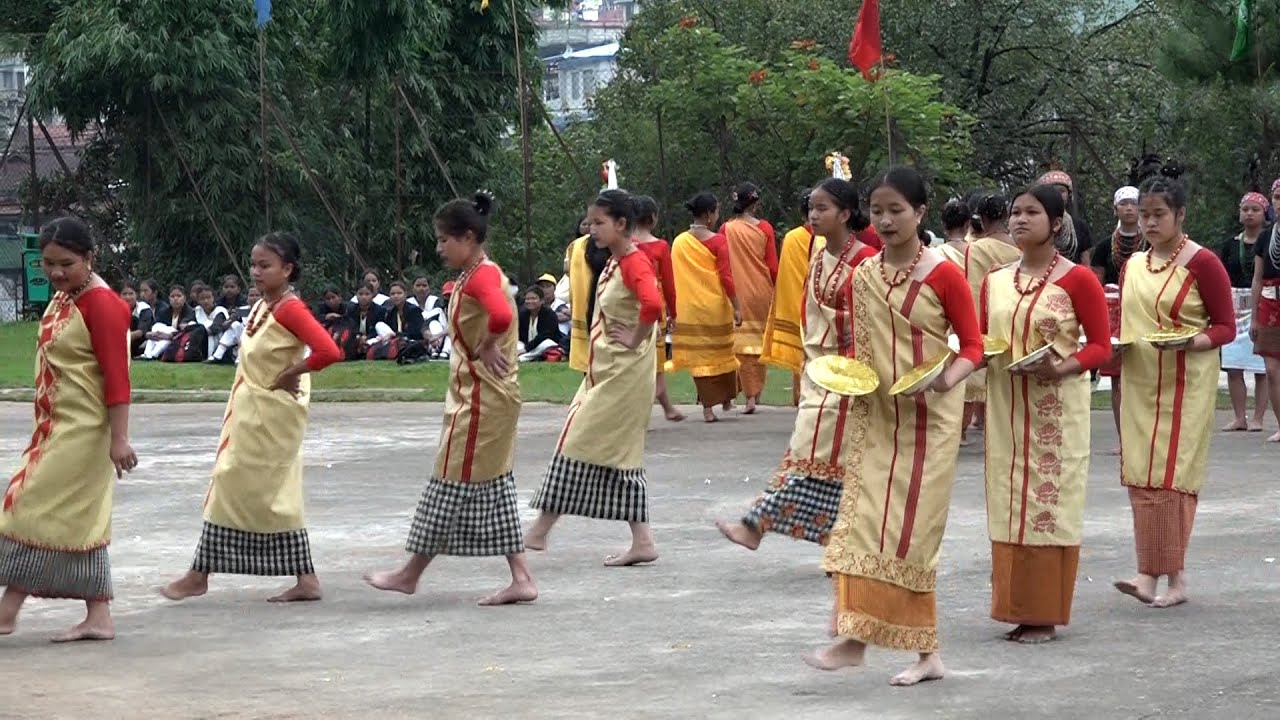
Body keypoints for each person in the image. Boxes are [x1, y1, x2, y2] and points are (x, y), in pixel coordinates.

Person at [811, 167, 981, 687]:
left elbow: (974, 347)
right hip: (877, 418)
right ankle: (857, 639)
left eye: (896, 211)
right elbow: (859, 350)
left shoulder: (943, 274)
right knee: (862, 525)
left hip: (930, 420)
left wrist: (943, 379)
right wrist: (845, 382)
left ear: (921, 213)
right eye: (878, 211)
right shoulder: (863, 276)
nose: (885, 221)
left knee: (911, 536)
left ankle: (922, 653)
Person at [364, 192, 536, 606]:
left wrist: (490, 344)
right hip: (480, 399)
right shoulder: (476, 272)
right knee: (492, 487)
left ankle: (410, 574)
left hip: (482, 402)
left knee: (448, 486)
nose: (439, 248)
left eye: (445, 240)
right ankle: (522, 577)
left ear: (469, 237)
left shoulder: (480, 276)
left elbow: (501, 316)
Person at [161, 232, 342, 603]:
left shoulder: (290, 308)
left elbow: (329, 350)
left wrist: (293, 372)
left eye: (265, 266)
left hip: (271, 416)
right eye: (253, 265)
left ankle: (200, 574)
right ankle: (305, 579)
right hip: (253, 413)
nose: (255, 272)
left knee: (234, 483)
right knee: (273, 491)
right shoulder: (264, 305)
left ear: (287, 269)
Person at [716, 177, 878, 551]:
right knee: (814, 456)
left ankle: (758, 525)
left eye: (823, 208)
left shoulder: (867, 261)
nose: (813, 214)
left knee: (821, 455)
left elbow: (875, 320)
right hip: (819, 371)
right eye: (812, 208)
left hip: (851, 376)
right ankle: (839, 542)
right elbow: (809, 309)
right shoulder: (819, 256)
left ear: (846, 214)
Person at [980, 185, 1111, 644]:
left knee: (1047, 504)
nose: (1019, 220)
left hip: (1056, 414)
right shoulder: (995, 279)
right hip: (1006, 409)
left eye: (1031, 213)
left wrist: (1062, 367)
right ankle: (1015, 608)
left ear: (1056, 224)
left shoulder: (1078, 280)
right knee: (1008, 499)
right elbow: (981, 339)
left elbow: (1100, 345)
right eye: (1014, 212)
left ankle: (1044, 615)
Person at [0, 216, 138, 642]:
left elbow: (118, 378)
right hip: (54, 427)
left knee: (28, 507)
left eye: (67, 263)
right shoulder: (66, 298)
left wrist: (118, 438)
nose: (56, 272)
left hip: (84, 432)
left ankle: (7, 611)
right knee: (77, 519)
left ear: (90, 257)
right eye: (47, 264)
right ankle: (99, 615)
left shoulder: (103, 304)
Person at [1112, 173, 1233, 608]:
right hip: (1141, 380)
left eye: (1158, 214)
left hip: (1186, 383)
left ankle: (1159, 578)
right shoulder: (1133, 266)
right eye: (1143, 214)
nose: (1148, 222)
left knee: (1171, 478)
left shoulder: (1203, 263)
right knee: (1141, 475)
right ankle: (1162, 575)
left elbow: (1225, 327)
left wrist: (1189, 341)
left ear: (1180, 215)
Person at [525, 190, 665, 567]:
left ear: (621, 224)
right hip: (606, 370)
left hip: (623, 374)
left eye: (599, 223)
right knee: (616, 454)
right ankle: (643, 540)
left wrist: (635, 337)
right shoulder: (614, 262)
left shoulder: (634, 263)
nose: (592, 229)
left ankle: (538, 531)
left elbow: (654, 305)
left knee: (578, 440)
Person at [671, 192, 743, 422]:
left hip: (690, 307)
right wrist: (736, 306)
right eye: (717, 210)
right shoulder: (717, 240)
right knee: (723, 352)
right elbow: (726, 276)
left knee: (700, 358)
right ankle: (726, 400)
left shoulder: (680, 241)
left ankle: (707, 408)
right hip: (715, 306)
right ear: (709, 215)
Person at [962, 192, 1022, 437]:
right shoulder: (1018, 247)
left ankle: (964, 431)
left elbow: (972, 287)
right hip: (1013, 312)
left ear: (982, 219)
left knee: (978, 374)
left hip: (984, 313)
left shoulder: (976, 249)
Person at [1090, 186, 1144, 451]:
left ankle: (1145, 436)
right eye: (1124, 204)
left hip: (1143, 309)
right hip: (1113, 313)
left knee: (1145, 374)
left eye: (1134, 203)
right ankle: (1124, 438)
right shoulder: (1103, 247)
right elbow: (1096, 284)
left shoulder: (1152, 242)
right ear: (1115, 209)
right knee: (1118, 379)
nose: (1129, 208)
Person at [721, 182, 778, 413]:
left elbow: (722, 263)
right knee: (756, 343)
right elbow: (772, 265)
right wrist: (778, 289)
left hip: (736, 292)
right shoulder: (765, 228)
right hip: (761, 291)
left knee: (737, 342)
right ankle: (753, 396)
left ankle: (733, 395)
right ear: (755, 203)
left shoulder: (726, 228)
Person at [761, 192, 819, 407]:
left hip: (798, 301)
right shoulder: (823, 236)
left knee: (803, 355)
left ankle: (802, 400)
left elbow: (786, 276)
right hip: (818, 303)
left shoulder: (793, 237)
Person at [1221, 192, 1272, 432]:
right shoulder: (1230, 244)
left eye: (1255, 209)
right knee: (1233, 365)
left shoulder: (1270, 241)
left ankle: (1258, 418)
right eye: (1246, 209)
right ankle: (1239, 416)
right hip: (1233, 304)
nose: (1249, 213)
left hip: (1261, 302)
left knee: (1261, 367)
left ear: (1265, 214)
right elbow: (1220, 275)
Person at [632, 194, 684, 421]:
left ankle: (667, 408)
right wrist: (673, 312)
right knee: (657, 366)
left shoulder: (626, 245)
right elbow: (670, 285)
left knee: (636, 363)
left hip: (630, 309)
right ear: (653, 218)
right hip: (655, 309)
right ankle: (642, 414)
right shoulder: (660, 247)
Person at [936, 198, 975, 444]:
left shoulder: (936, 254)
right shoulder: (977, 251)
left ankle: (956, 430)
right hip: (974, 314)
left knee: (951, 369)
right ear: (969, 223)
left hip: (946, 318)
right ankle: (961, 429)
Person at [1251, 178, 1280, 441]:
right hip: (1270, 304)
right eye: (1278, 197)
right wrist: (1253, 317)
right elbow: (1258, 277)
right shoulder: (1265, 237)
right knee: (1271, 369)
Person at [1037, 170, 1094, 264]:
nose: (1057, 195)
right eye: (1053, 191)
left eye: (1062, 191)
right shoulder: (1034, 223)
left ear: (1069, 195)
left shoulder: (1079, 226)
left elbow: (1085, 260)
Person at [368, 281, 423, 360]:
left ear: (405, 294)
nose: (396, 296)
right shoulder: (391, 312)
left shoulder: (413, 310)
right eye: (393, 294)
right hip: (394, 340)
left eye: (399, 293)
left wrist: (396, 335)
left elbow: (416, 333)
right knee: (379, 325)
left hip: (410, 340)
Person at [142, 285, 197, 361]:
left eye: (179, 296)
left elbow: (184, 331)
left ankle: (152, 354)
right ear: (169, 299)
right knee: (157, 326)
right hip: (161, 338)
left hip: (178, 340)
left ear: (184, 298)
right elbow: (156, 326)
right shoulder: (164, 312)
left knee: (168, 336)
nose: (175, 299)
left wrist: (169, 335)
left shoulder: (190, 312)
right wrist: (151, 333)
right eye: (172, 296)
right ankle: (147, 354)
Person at [517, 286, 563, 361]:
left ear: (542, 301)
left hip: (543, 344)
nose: (530, 301)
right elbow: (519, 334)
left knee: (547, 343)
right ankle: (528, 356)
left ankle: (523, 357)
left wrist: (526, 349)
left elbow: (544, 336)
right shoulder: (523, 314)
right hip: (527, 345)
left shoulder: (549, 314)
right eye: (527, 299)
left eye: (533, 298)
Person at [120, 281, 154, 358]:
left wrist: (121, 339)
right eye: (124, 294)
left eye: (131, 294)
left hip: (140, 343)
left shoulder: (144, 309)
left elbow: (140, 332)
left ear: (136, 295)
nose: (127, 297)